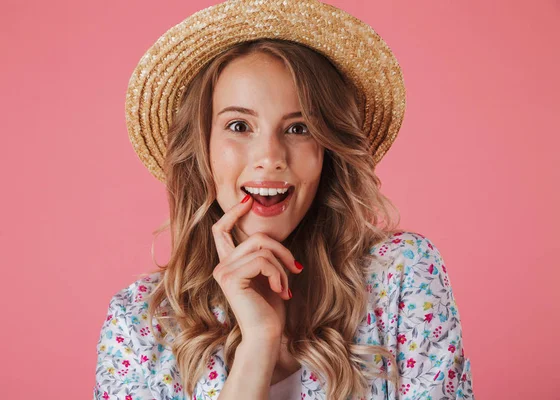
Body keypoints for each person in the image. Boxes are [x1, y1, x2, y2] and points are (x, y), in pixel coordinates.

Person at [93, 1, 474, 399]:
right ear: (201, 148)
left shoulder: (401, 276)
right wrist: (259, 341)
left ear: (328, 149)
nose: (270, 157)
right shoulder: (138, 325)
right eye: (239, 126)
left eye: (299, 127)